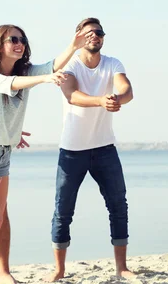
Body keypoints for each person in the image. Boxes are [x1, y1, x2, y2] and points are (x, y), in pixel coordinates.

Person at [0, 24, 92, 284]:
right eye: (13, 40)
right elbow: (13, 83)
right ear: (0, 43)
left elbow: (51, 67)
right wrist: (44, 79)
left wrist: (74, 47)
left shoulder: (25, 71)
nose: (19, 43)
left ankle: (3, 273)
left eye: (22, 40)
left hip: (2, 157)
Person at [45, 18, 135, 282]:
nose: (95, 36)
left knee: (118, 205)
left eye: (99, 32)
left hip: (105, 147)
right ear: (78, 37)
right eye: (89, 33)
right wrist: (100, 101)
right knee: (63, 210)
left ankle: (122, 267)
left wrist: (117, 98)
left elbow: (126, 89)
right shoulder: (69, 65)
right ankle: (59, 270)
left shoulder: (112, 63)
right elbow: (71, 94)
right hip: (72, 151)